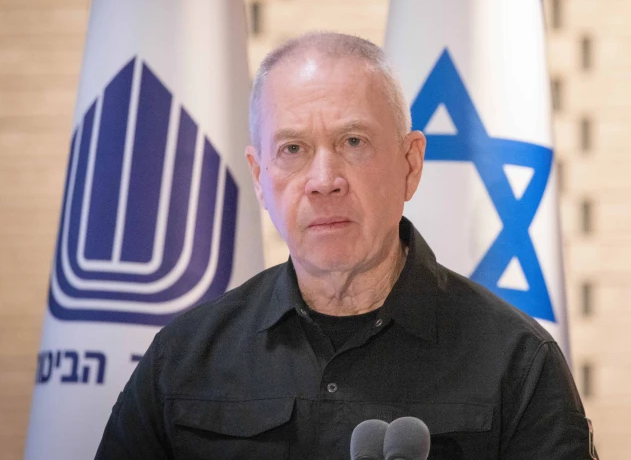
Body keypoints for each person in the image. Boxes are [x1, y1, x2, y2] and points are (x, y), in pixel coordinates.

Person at [95, 32, 595, 459]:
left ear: (410, 164)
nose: (323, 180)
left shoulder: (517, 361)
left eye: (353, 141)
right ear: (259, 176)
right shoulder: (183, 359)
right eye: (292, 149)